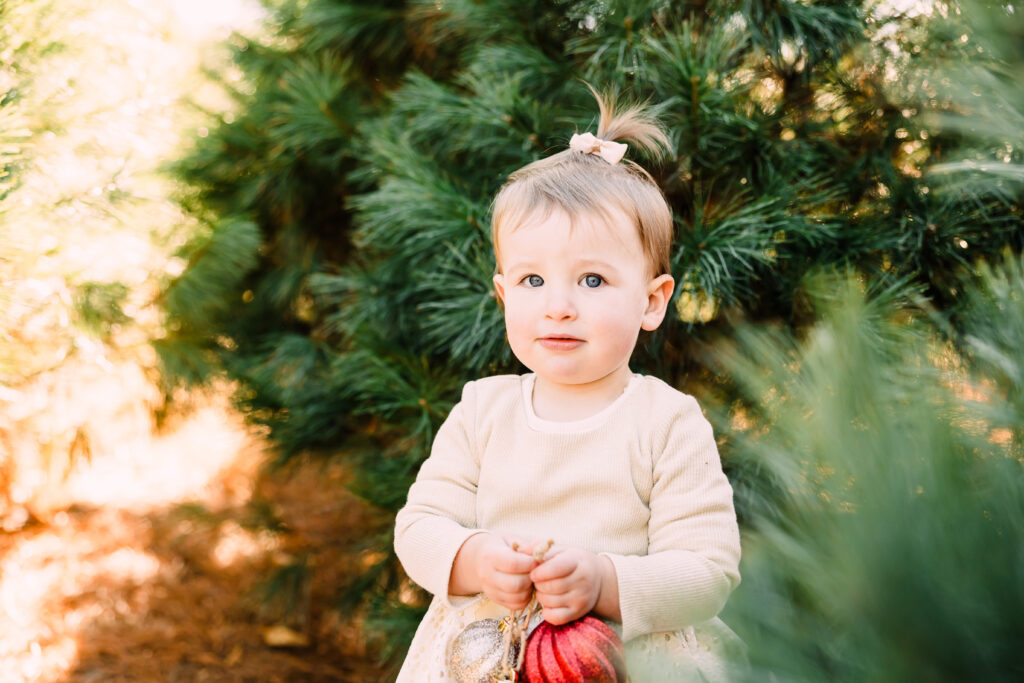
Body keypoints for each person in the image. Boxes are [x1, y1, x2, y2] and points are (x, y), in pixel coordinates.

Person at [393, 87, 742, 682]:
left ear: (652, 300)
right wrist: (474, 559)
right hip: (487, 654)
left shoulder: (667, 421)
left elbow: (707, 571)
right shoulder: (483, 411)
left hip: (626, 659)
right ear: (503, 294)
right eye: (532, 280)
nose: (558, 307)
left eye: (592, 280)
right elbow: (419, 526)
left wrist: (606, 581)